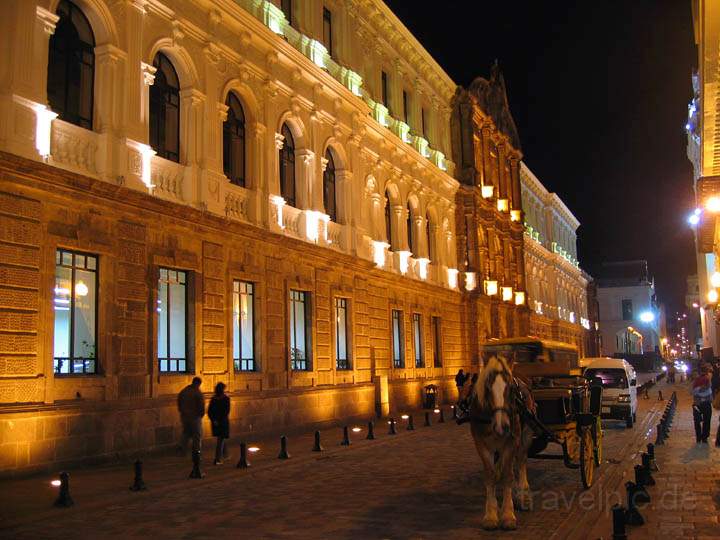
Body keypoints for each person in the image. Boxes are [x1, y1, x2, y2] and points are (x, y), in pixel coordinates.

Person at [177, 377, 205, 455]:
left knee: (186, 433)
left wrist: (182, 411)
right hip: (195, 417)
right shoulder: (197, 392)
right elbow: (201, 405)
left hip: (185, 416)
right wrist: (201, 415)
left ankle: (182, 450)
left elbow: (179, 401)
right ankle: (197, 452)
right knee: (197, 435)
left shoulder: (184, 391)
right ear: (197, 383)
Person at [208, 382, 231, 465]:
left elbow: (209, 411)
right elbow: (226, 411)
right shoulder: (226, 399)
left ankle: (226, 454)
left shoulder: (213, 399)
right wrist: (220, 420)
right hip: (223, 422)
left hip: (215, 422)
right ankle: (217, 459)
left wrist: (214, 420)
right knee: (221, 440)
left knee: (221, 438)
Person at [692, 367, 713, 444]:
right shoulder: (708, 379)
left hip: (697, 404)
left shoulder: (696, 381)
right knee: (707, 421)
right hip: (706, 403)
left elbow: (693, 392)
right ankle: (704, 437)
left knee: (697, 421)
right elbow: (709, 389)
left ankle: (698, 437)